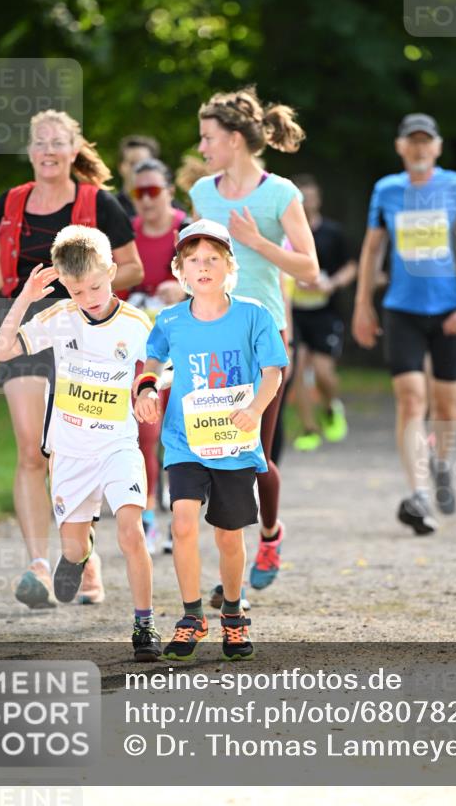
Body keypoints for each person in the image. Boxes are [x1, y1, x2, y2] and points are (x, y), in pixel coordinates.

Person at [0, 110, 143, 609]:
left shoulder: (98, 203)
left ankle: (82, 553)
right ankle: (38, 565)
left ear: (72, 150)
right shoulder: (12, 200)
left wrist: (86, 291)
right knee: (31, 450)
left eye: (57, 142)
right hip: (25, 326)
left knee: (70, 449)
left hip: (83, 331)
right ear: (29, 150)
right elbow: (3, 257)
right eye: (39, 142)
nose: (47, 150)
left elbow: (133, 265)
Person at [0, 226, 160, 660]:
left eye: (98, 286)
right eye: (79, 290)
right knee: (70, 545)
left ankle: (144, 625)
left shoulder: (136, 323)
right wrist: (27, 297)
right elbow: (2, 350)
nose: (90, 297)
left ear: (112, 271)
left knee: (131, 530)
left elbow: (157, 366)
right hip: (69, 452)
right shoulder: (59, 318)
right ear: (64, 285)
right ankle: (81, 552)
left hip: (118, 445)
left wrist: (146, 391)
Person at [135, 219, 288, 661]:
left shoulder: (253, 314)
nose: (203, 268)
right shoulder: (170, 319)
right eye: (194, 260)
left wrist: (255, 410)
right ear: (180, 270)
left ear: (228, 266)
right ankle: (190, 616)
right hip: (185, 440)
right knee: (182, 521)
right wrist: (146, 388)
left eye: (213, 259)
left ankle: (235, 617)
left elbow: (273, 371)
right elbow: (152, 359)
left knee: (227, 535)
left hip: (235, 441)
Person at [189, 86, 318, 589]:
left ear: (236, 141)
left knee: (254, 456)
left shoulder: (279, 193)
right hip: (207, 336)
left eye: (208, 138)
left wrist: (258, 242)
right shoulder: (202, 193)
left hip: (263, 334)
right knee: (217, 454)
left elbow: (309, 267)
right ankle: (232, 569)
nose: (202, 148)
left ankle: (270, 534)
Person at [352, 113, 456, 534]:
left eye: (426, 142)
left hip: (451, 310)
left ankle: (440, 463)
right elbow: (371, 253)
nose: (419, 149)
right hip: (402, 309)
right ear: (400, 147)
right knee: (411, 399)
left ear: (437, 147)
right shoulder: (386, 190)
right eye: (411, 142)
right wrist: (363, 304)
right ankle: (418, 494)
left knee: (446, 404)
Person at [125, 157, 190, 551]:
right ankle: (147, 519)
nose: (146, 200)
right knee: (145, 434)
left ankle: (181, 522)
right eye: (138, 192)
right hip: (141, 348)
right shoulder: (127, 233)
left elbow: (214, 278)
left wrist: (181, 289)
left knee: (183, 435)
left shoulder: (186, 231)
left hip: (185, 346)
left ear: (168, 191)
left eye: (153, 191)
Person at [288, 174, 357, 451]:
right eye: (300, 199)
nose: (306, 204)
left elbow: (352, 265)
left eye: (311, 198)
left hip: (325, 312)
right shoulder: (285, 234)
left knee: (323, 372)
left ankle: (330, 407)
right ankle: (309, 428)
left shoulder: (332, 232)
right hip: (294, 312)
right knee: (298, 369)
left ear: (318, 200)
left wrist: (333, 283)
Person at [115, 135, 161, 218]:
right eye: (132, 163)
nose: (138, 169)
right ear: (121, 167)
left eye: (144, 164)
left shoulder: (171, 209)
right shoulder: (109, 208)